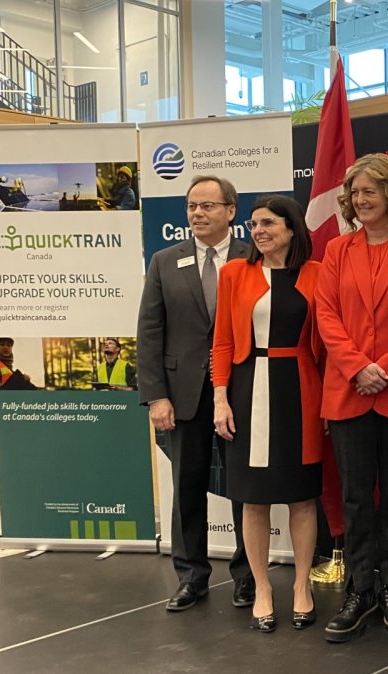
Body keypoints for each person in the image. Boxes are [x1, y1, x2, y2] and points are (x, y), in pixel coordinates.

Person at [315, 153, 388, 643]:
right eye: (354, 193)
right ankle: (358, 590)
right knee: (357, 499)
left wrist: (384, 369)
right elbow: (326, 316)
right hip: (347, 392)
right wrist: (356, 367)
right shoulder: (338, 251)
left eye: (369, 191)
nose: (360, 200)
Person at [137, 175, 255, 613]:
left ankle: (248, 575)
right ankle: (191, 576)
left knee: (245, 485)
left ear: (230, 211)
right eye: (192, 206)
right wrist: (155, 395)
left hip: (240, 391)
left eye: (208, 206)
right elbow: (149, 332)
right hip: (182, 391)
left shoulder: (254, 257)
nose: (198, 214)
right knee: (187, 485)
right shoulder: (165, 261)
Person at [211, 195, 324, 633]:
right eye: (254, 224)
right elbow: (221, 342)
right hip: (245, 389)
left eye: (268, 223)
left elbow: (327, 341)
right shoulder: (233, 274)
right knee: (253, 497)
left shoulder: (316, 274)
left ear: (292, 228)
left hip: (302, 389)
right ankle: (260, 587)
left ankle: (301, 585)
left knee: (301, 495)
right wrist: (220, 397)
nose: (258, 231)